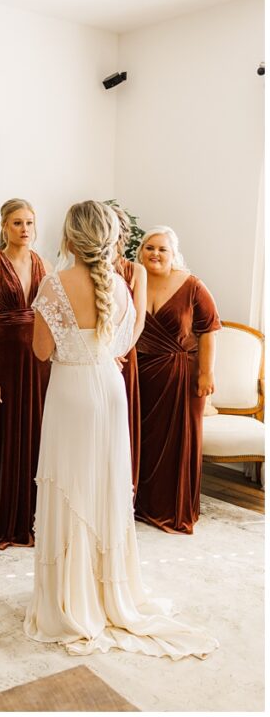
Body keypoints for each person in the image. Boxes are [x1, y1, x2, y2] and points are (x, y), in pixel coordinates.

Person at [24, 200, 218, 660]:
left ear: (70, 238)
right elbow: (128, 341)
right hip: (109, 389)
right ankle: (106, 589)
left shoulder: (53, 285)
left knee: (69, 485)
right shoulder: (119, 284)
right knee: (104, 487)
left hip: (71, 391)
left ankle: (70, 596)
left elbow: (39, 350)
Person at [0, 198, 52, 549]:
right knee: (6, 434)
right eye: (17, 223)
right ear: (4, 226)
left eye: (30, 223)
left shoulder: (44, 266)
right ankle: (3, 519)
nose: (24, 229)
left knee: (37, 434)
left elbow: (53, 320)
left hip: (39, 361)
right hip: (3, 359)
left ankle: (33, 516)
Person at [134, 226, 220, 534]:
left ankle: (172, 508)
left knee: (177, 446)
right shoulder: (132, 282)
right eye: (149, 248)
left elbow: (209, 329)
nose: (155, 254)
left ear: (174, 254)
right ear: (141, 251)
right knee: (141, 442)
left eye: (162, 249)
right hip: (139, 376)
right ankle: (141, 505)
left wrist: (206, 374)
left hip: (181, 378)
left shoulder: (192, 285)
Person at [109, 203, 147, 493]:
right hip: (94, 355)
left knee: (121, 423)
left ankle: (122, 490)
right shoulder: (84, 268)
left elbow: (139, 319)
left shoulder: (136, 271)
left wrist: (119, 350)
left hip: (123, 355)